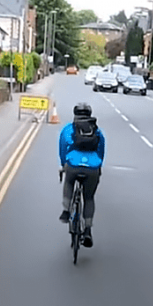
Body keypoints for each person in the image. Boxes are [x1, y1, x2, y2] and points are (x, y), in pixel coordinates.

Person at [58, 102, 106, 247]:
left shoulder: (68, 129)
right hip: (93, 167)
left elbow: (62, 148)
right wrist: (98, 166)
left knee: (68, 182)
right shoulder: (97, 131)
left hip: (73, 165)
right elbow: (101, 151)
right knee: (89, 197)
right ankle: (87, 231)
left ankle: (66, 211)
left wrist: (63, 165)